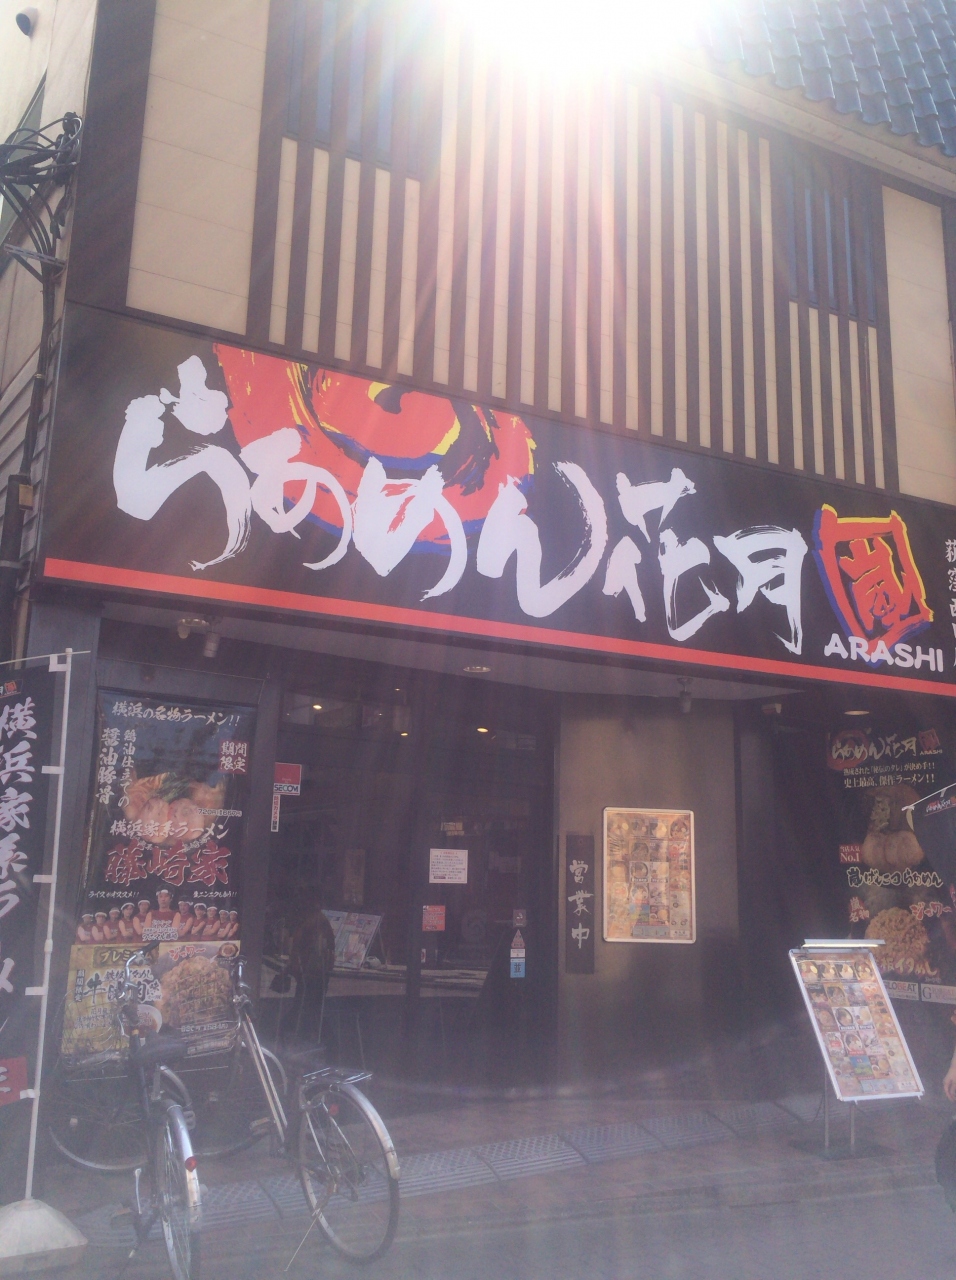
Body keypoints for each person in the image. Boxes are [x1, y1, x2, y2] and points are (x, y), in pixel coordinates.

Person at [287, 893, 337, 1042]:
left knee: (307, 1007)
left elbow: (304, 949)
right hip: (312, 972)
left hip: (312, 973)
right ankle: (308, 1037)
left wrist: (296, 967)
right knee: (309, 1008)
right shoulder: (317, 921)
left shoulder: (314, 922)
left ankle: (308, 1038)